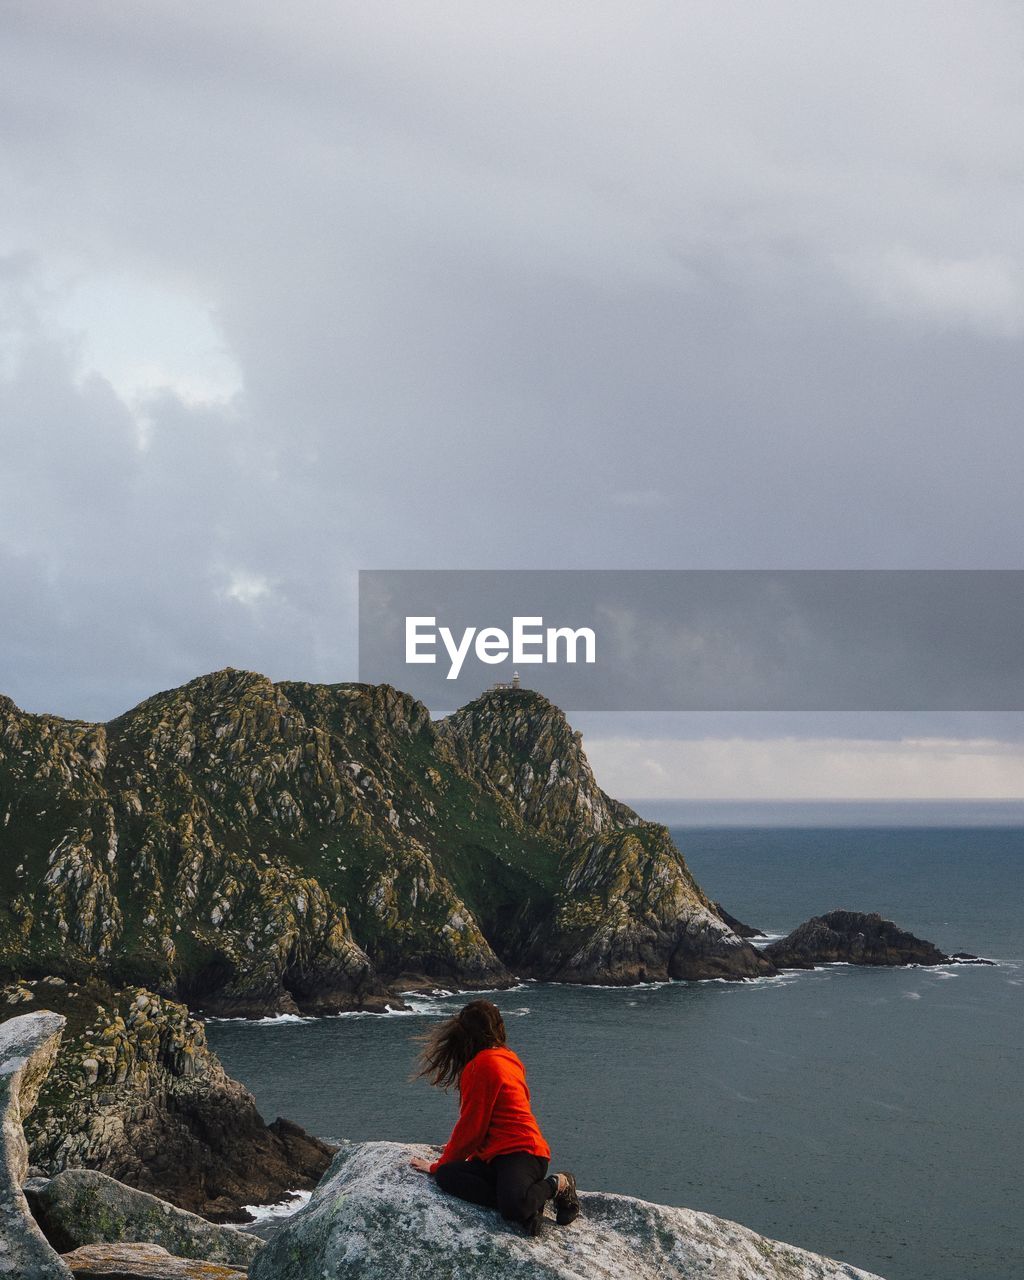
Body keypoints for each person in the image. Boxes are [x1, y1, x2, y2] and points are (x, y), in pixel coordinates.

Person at [409, 999, 580, 1236]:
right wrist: (442, 1165)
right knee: (447, 1175)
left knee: (512, 1207)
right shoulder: (507, 1057)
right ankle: (531, 1205)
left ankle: (559, 1184)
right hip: (495, 1158)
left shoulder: (484, 1065)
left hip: (521, 1153)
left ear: (465, 1034)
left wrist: (438, 1163)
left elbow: (472, 1128)